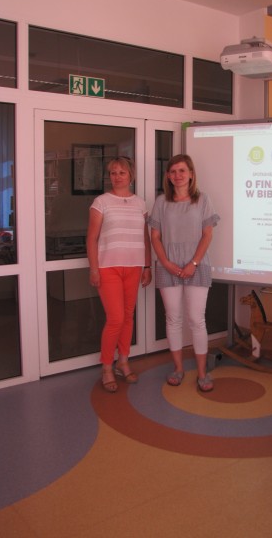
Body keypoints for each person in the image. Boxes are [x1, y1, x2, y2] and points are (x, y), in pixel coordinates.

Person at [149, 154, 219, 392]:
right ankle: (178, 369)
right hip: (167, 266)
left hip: (196, 265)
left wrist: (194, 263)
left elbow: (207, 235)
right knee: (173, 319)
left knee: (197, 320)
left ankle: (202, 373)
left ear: (191, 174)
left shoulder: (203, 200)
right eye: (173, 171)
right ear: (168, 176)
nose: (177, 175)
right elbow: (155, 237)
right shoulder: (161, 202)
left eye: (182, 170)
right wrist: (166, 263)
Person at [87, 156, 152, 393]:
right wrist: (94, 268)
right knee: (115, 318)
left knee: (127, 317)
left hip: (134, 267)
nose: (117, 176)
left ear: (130, 175)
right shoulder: (101, 202)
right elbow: (91, 238)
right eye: (113, 172)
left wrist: (147, 266)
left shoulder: (140, 204)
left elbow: (144, 237)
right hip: (108, 267)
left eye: (122, 172)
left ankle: (123, 361)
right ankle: (107, 366)